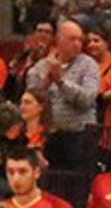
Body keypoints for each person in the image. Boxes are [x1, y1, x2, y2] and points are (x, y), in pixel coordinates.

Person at [25, 19, 101, 177]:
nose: (77, 44)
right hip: (49, 138)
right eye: (72, 39)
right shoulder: (39, 68)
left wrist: (61, 81)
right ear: (58, 40)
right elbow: (31, 101)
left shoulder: (89, 65)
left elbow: (87, 100)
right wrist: (47, 82)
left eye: (80, 40)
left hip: (80, 137)